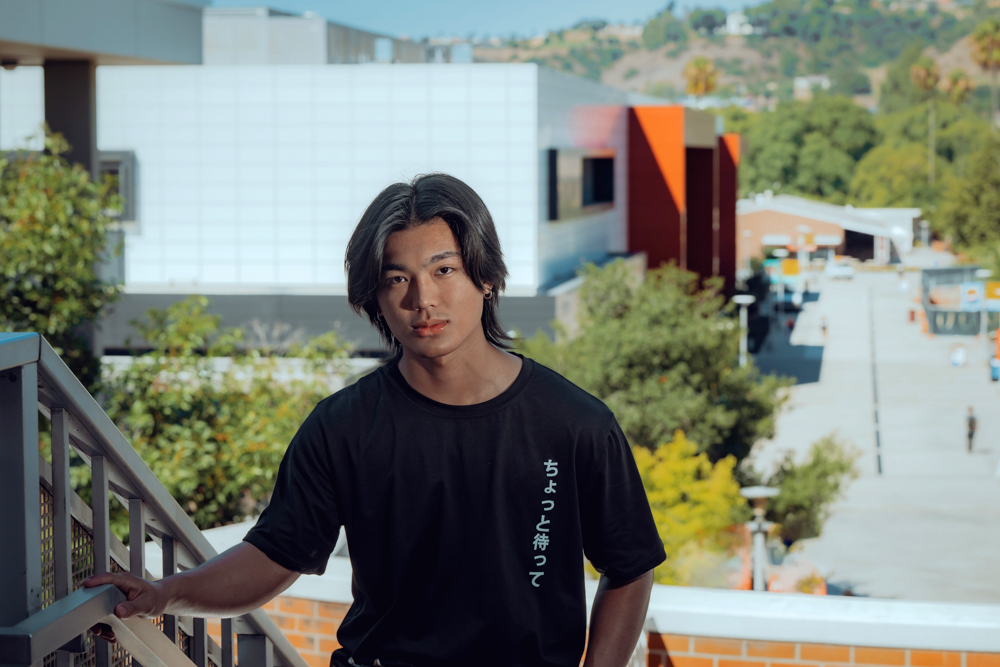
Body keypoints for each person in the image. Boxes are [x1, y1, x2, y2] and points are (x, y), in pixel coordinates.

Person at [83, 174, 665, 667]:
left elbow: (630, 566)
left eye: (444, 270)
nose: (422, 299)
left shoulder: (574, 422)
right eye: (397, 278)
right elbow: (274, 555)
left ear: (485, 277)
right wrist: (164, 593)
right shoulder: (343, 427)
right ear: (376, 298)